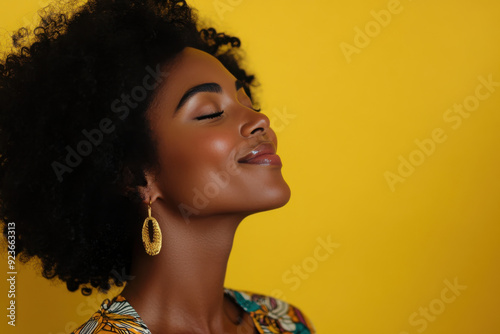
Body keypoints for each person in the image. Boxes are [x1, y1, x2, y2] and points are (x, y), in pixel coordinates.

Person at [0, 0, 316, 333]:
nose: (259, 119)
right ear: (137, 176)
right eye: (210, 112)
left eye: (247, 102)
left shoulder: (286, 321)